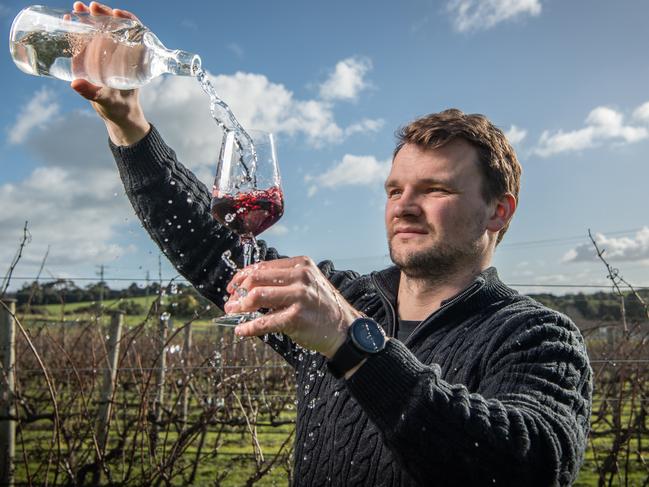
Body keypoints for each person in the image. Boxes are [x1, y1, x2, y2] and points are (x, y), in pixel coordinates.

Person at [72, 3, 592, 485]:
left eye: (435, 189)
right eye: (395, 189)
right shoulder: (350, 298)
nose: (403, 206)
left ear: (499, 211)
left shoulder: (536, 337)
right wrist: (129, 125)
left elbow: (529, 464)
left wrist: (351, 341)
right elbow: (213, 249)